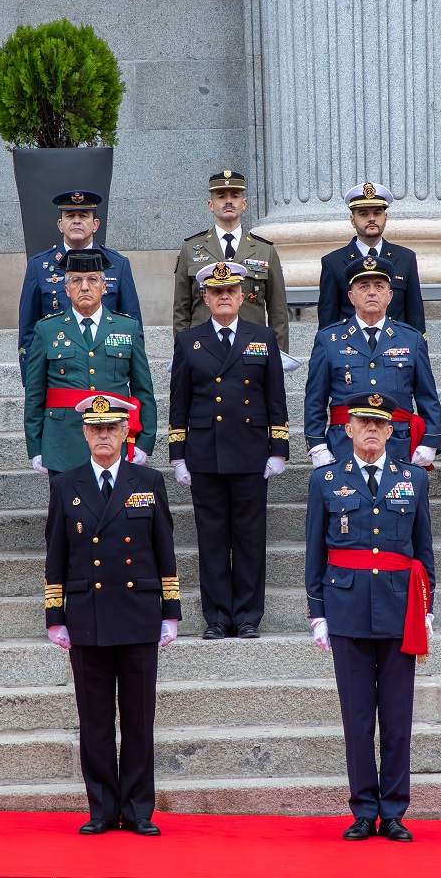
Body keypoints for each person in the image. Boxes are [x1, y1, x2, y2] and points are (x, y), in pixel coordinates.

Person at [44, 394, 180, 836]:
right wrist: (55, 615)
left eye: (112, 429)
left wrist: (170, 612)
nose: (103, 436)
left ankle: (139, 808)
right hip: (88, 616)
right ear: (84, 433)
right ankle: (101, 807)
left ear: (126, 432)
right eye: (95, 429)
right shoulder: (67, 484)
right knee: (96, 720)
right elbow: (56, 555)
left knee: (139, 719)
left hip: (138, 613)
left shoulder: (149, 480)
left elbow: (164, 549)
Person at [306, 392, 435, 843]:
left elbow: (424, 549)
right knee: (357, 718)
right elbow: (314, 554)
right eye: (363, 423)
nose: (372, 431)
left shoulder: (412, 479)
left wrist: (427, 607)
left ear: (391, 431)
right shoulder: (326, 480)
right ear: (348, 429)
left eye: (380, 424)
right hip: (346, 609)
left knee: (397, 719)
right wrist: (317, 611)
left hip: (400, 609)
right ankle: (363, 809)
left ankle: (395, 810)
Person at [168, 261, 289, 640]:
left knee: (250, 538)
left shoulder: (263, 337)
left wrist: (278, 447)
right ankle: (218, 616)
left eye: (230, 291)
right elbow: (179, 401)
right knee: (213, 538)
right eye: (215, 292)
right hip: (205, 453)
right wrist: (178, 454)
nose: (223, 297)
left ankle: (249, 615)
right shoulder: (190, 340)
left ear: (242, 296)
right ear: (204, 297)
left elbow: (274, 397)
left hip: (251, 452)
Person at [24, 248, 157, 476]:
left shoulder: (127, 328)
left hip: (115, 439)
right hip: (63, 443)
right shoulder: (46, 330)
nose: (84, 287)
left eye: (93, 280)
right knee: (67, 510)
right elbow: (35, 394)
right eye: (76, 281)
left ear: (104, 287)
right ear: (66, 289)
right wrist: (36, 447)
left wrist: (144, 441)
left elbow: (143, 389)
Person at [305, 254, 440, 470]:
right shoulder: (329, 339)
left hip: (397, 442)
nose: (371, 292)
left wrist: (430, 441)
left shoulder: (411, 339)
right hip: (344, 444)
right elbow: (315, 399)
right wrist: (317, 445)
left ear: (390, 295)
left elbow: (427, 396)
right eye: (363, 286)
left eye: (379, 286)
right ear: (351, 296)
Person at [18, 190, 141, 372]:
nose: (76, 221)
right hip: (58, 370)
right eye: (70, 216)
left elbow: (132, 324)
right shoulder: (38, 266)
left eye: (84, 216)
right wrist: (32, 381)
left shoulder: (118, 264)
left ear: (95, 224)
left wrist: (131, 374)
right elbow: (28, 329)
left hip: (107, 369)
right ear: (60, 224)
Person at [172, 169, 290, 352]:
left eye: (234, 196)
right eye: (221, 196)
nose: (228, 201)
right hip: (203, 349)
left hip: (251, 349)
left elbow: (278, 312)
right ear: (211, 205)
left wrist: (278, 358)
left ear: (244, 204)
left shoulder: (264, 250)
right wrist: (183, 353)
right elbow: (181, 309)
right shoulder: (190, 249)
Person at [317, 183, 426, 332]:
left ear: (385, 218)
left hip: (396, 349)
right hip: (350, 349)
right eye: (363, 214)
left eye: (377, 213)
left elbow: (416, 317)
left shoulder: (406, 258)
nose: (371, 219)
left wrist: (419, 353)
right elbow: (327, 324)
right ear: (352, 220)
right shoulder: (333, 262)